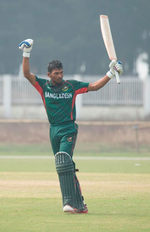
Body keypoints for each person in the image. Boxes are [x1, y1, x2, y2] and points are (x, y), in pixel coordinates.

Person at [19, 39, 123, 214]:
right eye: (56, 73)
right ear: (49, 74)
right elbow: (26, 74)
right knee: (64, 166)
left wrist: (110, 73)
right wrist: (26, 53)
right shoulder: (43, 86)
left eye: (61, 72)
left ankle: (69, 203)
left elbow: (94, 87)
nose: (60, 76)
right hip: (53, 130)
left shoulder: (71, 86)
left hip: (68, 128)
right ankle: (79, 204)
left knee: (64, 162)